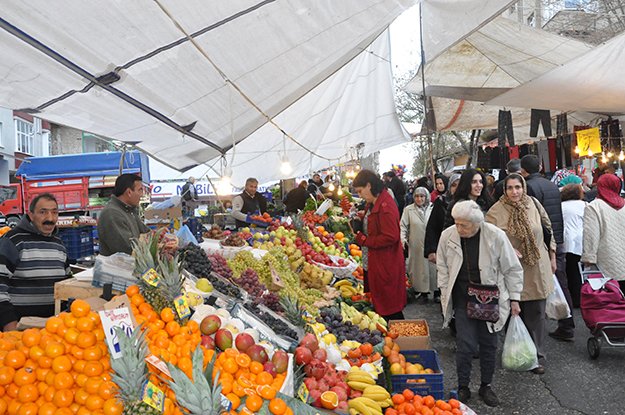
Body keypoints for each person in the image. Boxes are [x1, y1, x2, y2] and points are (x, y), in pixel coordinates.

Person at [437, 200, 523, 407]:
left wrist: (515, 298)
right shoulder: (448, 235)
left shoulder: (495, 235)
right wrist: (444, 290)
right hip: (463, 297)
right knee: (465, 344)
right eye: (457, 223)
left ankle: (486, 385)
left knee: (489, 344)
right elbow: (442, 265)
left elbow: (512, 268)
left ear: (477, 224)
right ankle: (463, 386)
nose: (459, 228)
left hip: (490, 298)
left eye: (464, 225)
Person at [486, 173, 555, 374]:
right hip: (511, 269)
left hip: (536, 266)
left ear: (523, 187)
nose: (514, 192)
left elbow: (548, 228)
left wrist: (552, 256)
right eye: (510, 188)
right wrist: (506, 248)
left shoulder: (532, 203)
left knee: (537, 314)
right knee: (514, 312)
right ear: (504, 190)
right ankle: (517, 354)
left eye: (518, 187)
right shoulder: (495, 211)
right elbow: (489, 240)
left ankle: (537, 356)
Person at [520, 155, 574, 342]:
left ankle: (538, 326)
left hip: (542, 242)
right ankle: (567, 323)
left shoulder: (529, 187)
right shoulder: (551, 185)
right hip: (558, 239)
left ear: (523, 170)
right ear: (541, 167)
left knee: (537, 283)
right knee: (561, 281)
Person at [0, 194, 71, 331]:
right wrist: (9, 323)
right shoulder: (14, 241)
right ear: (31, 215)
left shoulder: (59, 245)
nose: (50, 218)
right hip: (20, 328)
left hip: (53, 328)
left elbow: (66, 284)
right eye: (43, 212)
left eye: (54, 212)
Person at [351, 169, 406, 320]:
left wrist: (364, 240)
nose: (360, 195)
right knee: (381, 302)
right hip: (375, 261)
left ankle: (400, 337)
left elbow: (391, 236)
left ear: (369, 185)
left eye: (360, 191)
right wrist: (362, 218)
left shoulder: (386, 206)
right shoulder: (374, 202)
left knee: (389, 307)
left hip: (385, 263)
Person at [581, 174, 625, 293]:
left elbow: (591, 235)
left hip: (607, 263)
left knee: (613, 304)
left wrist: (589, 257)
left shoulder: (594, 207)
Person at [98, 174, 150, 256]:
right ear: (129, 192)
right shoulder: (112, 213)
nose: (142, 194)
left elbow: (145, 231)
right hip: (117, 267)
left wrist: (159, 236)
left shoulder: (130, 210)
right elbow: (127, 248)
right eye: (140, 190)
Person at [400, 187, 435, 302]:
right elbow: (403, 226)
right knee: (418, 268)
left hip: (431, 243)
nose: (419, 199)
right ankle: (422, 292)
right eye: (416, 196)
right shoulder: (408, 210)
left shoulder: (433, 208)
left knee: (433, 268)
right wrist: (403, 239)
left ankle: (436, 291)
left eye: (422, 196)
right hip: (416, 243)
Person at [425, 173, 461, 265]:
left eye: (460, 185)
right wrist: (431, 249)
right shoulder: (441, 202)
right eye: (453, 185)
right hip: (445, 248)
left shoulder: (470, 203)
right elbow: (432, 226)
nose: (456, 188)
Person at [560, 183, 586, 307]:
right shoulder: (584, 205)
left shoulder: (560, 206)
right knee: (580, 270)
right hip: (580, 240)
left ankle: (571, 297)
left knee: (569, 271)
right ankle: (581, 296)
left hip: (565, 240)